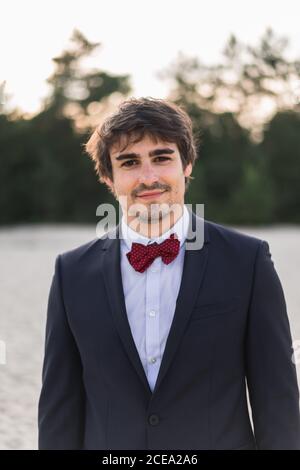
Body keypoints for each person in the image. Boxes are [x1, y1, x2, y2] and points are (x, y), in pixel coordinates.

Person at [38, 97, 300, 450]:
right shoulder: (71, 273)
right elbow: (59, 408)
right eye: (129, 162)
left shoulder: (248, 261)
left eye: (162, 158)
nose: (148, 178)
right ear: (108, 177)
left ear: (187, 164)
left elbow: (277, 399)